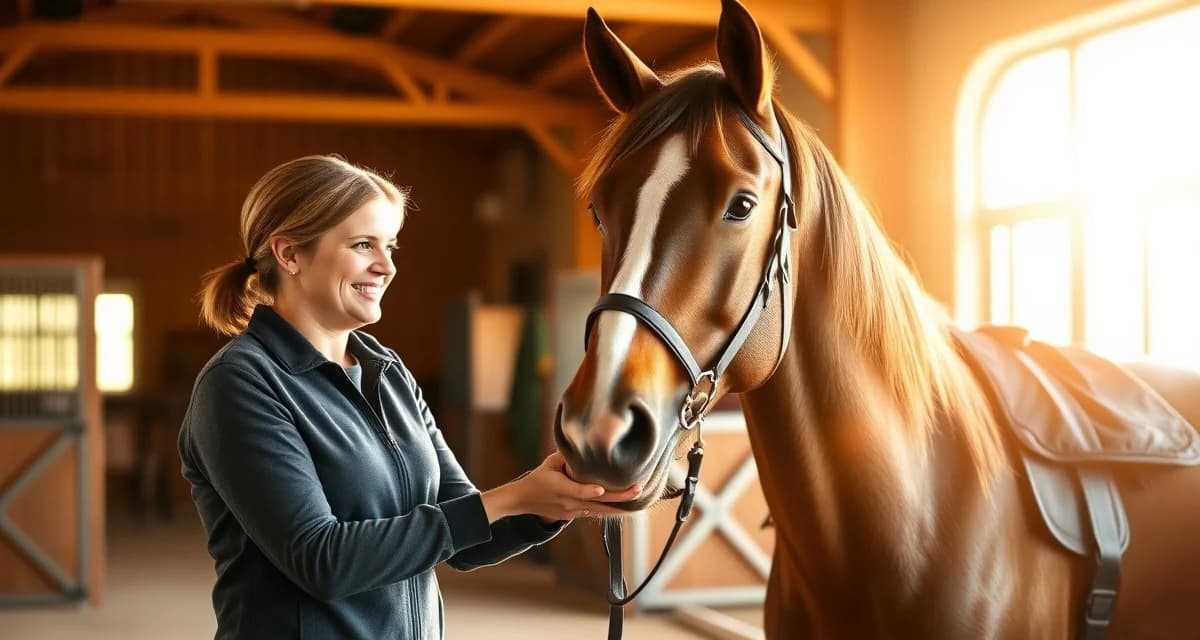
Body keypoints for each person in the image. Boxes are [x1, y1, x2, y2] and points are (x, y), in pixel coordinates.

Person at [178, 154, 639, 640]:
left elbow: (462, 536)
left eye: (390, 246)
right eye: (363, 245)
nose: (387, 266)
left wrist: (547, 502)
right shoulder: (239, 384)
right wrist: (507, 499)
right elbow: (321, 560)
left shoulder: (387, 372)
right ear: (289, 254)